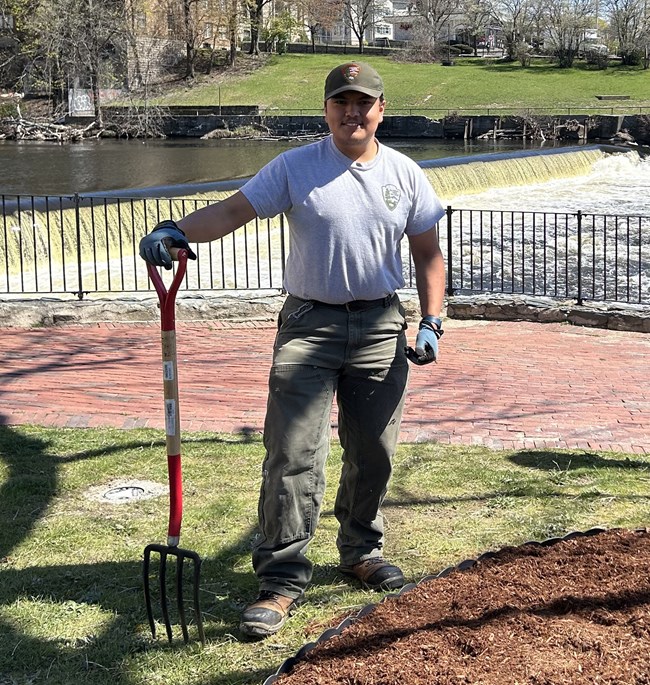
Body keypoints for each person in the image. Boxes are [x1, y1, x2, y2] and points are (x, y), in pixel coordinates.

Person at [139, 61, 446, 640]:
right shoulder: (295, 167)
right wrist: (177, 228)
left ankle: (359, 550)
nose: (352, 112)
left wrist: (432, 321)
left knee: (374, 451)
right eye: (341, 103)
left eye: (364, 103)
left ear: (381, 110)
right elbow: (233, 211)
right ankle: (280, 579)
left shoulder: (406, 175)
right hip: (309, 326)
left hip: (382, 325)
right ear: (326, 110)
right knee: (292, 453)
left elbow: (428, 253)